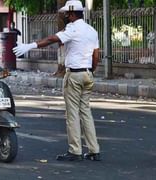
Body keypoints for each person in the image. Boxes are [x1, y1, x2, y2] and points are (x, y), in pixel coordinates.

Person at [13, 0, 100, 161]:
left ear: (73, 14)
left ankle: (75, 151)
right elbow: (96, 55)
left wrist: (30, 45)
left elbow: (52, 39)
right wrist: (91, 71)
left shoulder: (73, 28)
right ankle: (94, 150)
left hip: (74, 75)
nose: (66, 16)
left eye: (67, 14)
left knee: (72, 113)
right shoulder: (92, 30)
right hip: (88, 74)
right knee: (86, 112)